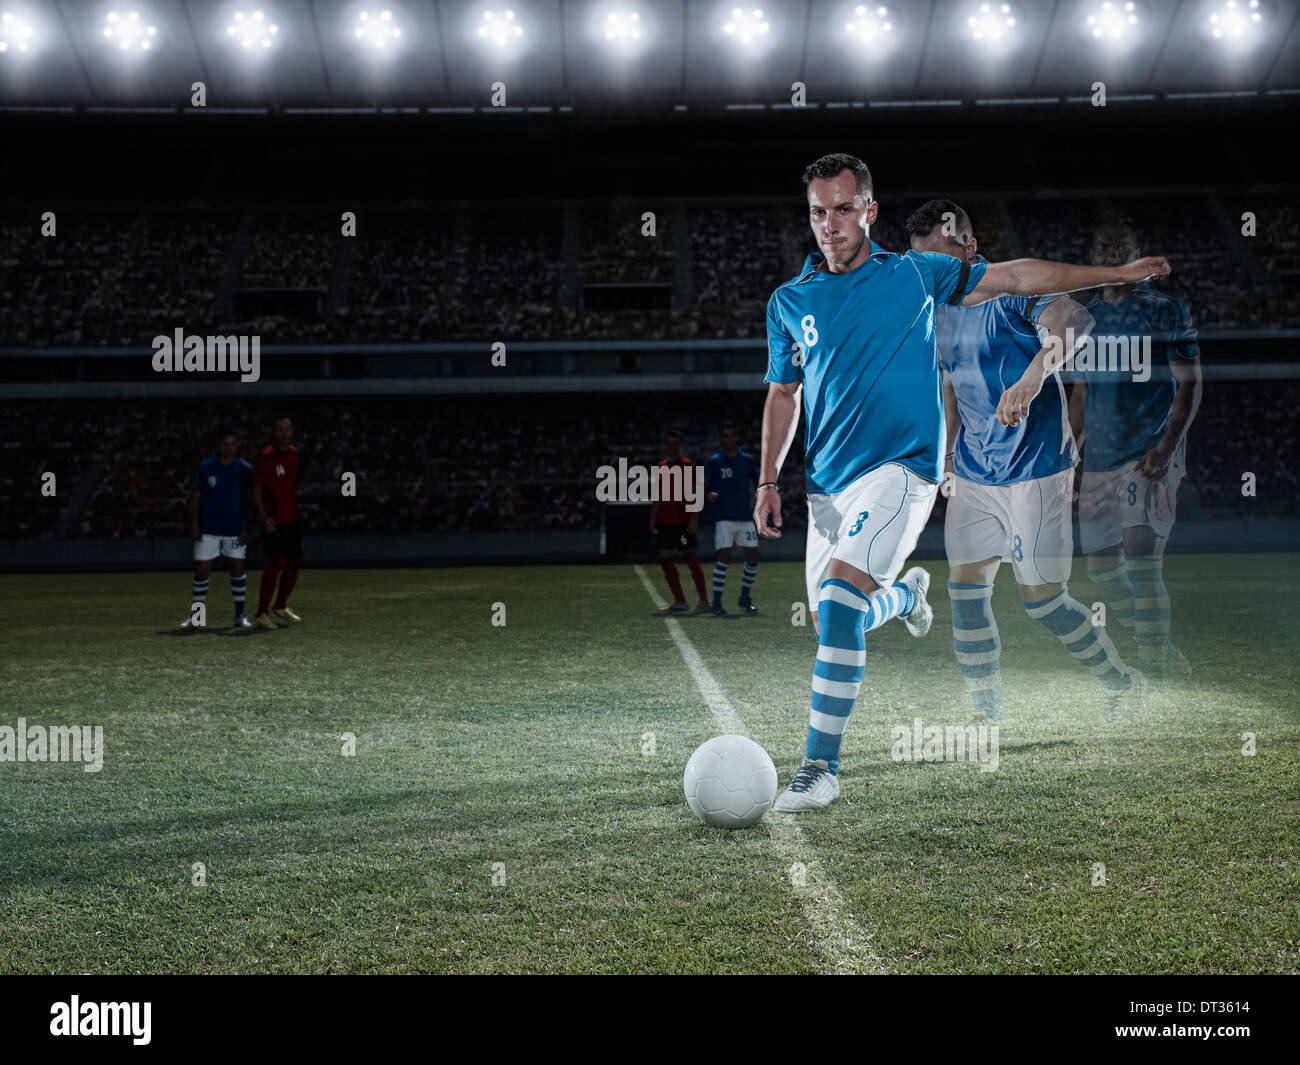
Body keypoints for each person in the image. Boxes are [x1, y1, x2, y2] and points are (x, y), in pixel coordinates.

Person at [757, 153, 1171, 811]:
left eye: (843, 208)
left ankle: (821, 767)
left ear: (869, 211)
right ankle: (932, 630)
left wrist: (1103, 289)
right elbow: (805, 389)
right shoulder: (819, 304)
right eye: (818, 211)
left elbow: (1048, 303)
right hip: (950, 473)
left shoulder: (954, 287)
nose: (830, 223)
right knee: (901, 606)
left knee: (1037, 598)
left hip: (1007, 468)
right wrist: (769, 479)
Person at [180, 428, 253, 630]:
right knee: (202, 570)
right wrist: (194, 525)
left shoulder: (244, 468)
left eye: (232, 443)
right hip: (208, 528)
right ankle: (197, 617)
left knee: (237, 567)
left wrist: (246, 527)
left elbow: (248, 500)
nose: (228, 448)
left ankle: (240, 616)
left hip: (234, 528)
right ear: (218, 445)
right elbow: (195, 497)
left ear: (237, 445)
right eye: (225, 443)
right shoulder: (206, 467)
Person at [704, 422, 761, 616]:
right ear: (722, 438)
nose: (728, 439)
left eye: (731, 435)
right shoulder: (714, 461)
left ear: (736, 437)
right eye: (725, 435)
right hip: (724, 517)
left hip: (745, 515)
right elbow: (705, 486)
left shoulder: (746, 460)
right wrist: (708, 494)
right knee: (723, 558)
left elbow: (758, 480)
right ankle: (717, 602)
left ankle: (745, 597)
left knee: (753, 558)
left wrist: (760, 494)